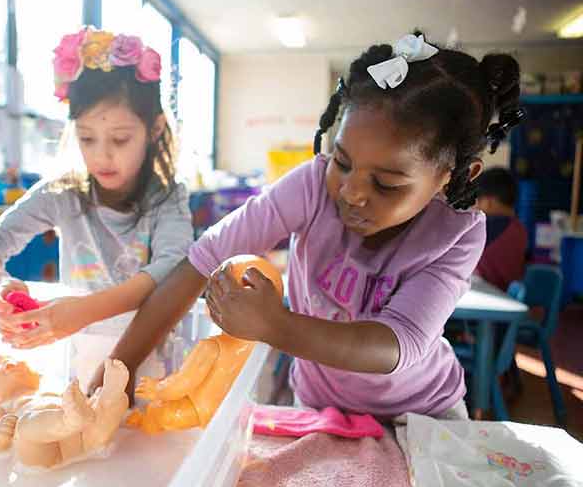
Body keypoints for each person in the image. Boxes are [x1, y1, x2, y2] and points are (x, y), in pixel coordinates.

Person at [95, 32, 524, 420]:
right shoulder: (313, 186)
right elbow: (202, 260)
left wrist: (274, 326)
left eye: (386, 183)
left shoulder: (456, 235)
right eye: (342, 162)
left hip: (420, 414)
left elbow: (399, 342)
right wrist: (120, 369)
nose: (352, 192)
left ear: (451, 178)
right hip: (321, 405)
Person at [0, 28, 192, 373]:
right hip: (83, 362)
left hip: (152, 363)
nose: (102, 156)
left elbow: (172, 271)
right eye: (87, 138)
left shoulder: (168, 199)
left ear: (155, 129)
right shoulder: (63, 194)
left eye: (120, 139)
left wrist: (82, 311)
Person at [475, 167, 528, 291]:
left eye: (478, 200)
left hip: (488, 295)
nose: (476, 206)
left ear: (489, 202)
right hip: (508, 294)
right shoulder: (520, 229)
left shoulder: (486, 226)